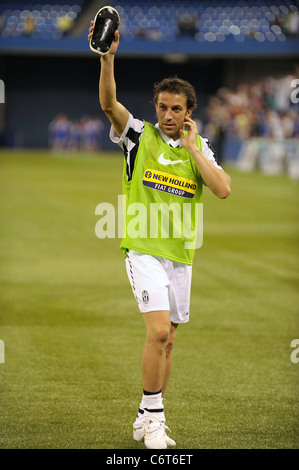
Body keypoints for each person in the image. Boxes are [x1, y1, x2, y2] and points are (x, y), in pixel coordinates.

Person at [88, 22, 231, 449]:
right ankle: (154, 421)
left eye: (176, 109)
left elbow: (222, 189)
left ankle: (146, 414)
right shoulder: (138, 136)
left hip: (180, 256)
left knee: (170, 343)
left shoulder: (199, 146)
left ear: (189, 112)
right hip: (144, 250)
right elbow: (109, 103)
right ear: (156, 107)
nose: (167, 116)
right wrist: (107, 57)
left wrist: (191, 148)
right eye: (162, 107)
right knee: (159, 334)